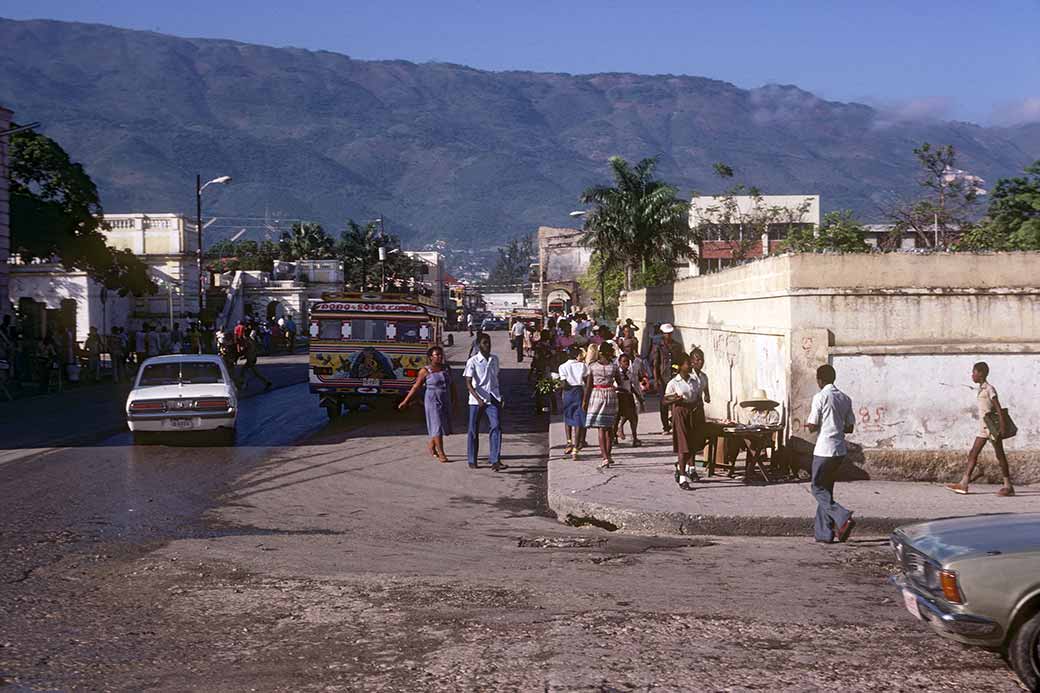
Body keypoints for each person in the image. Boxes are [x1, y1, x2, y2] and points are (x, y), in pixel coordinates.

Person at [946, 361, 1015, 497]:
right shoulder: (981, 389)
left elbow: (998, 407)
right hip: (983, 428)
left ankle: (1008, 486)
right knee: (973, 453)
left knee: (999, 455)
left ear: (981, 373)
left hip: (992, 428)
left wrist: (1002, 425)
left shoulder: (990, 389)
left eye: (974, 372)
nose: (972, 375)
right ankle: (964, 483)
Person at [806, 364, 857, 544]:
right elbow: (849, 427)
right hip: (839, 450)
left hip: (824, 449)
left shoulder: (820, 397)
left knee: (817, 488)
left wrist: (811, 425)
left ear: (820, 380)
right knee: (826, 490)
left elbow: (812, 425)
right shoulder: (845, 398)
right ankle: (824, 534)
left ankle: (842, 516)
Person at [398, 345, 457, 463]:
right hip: (432, 400)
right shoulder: (425, 371)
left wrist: (455, 400)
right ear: (431, 357)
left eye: (441, 354)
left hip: (445, 398)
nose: (440, 357)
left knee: (444, 424)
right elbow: (416, 387)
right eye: (437, 355)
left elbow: (452, 385)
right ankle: (441, 453)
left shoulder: (446, 369)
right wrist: (405, 401)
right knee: (437, 425)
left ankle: (432, 445)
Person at [463, 333, 506, 471]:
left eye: (489, 342)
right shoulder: (473, 361)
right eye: (484, 343)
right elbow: (468, 383)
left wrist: (500, 396)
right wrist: (478, 398)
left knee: (496, 426)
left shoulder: (494, 359)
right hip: (477, 401)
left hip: (492, 398)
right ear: (478, 345)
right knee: (473, 430)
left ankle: (495, 460)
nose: (487, 345)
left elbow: (495, 379)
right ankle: (472, 459)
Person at [664, 353, 704, 490]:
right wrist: (676, 399)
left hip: (692, 412)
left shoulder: (694, 380)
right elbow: (665, 400)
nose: (691, 365)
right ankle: (682, 478)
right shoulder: (674, 383)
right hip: (680, 412)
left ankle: (685, 467)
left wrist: (697, 405)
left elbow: (698, 395)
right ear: (681, 366)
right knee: (683, 445)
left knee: (692, 444)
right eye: (688, 363)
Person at [728, 389, 782, 483]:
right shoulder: (753, 412)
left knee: (748, 441)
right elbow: (747, 424)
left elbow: (774, 426)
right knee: (734, 440)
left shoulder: (772, 413)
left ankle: (749, 471)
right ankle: (731, 465)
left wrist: (762, 428)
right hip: (750, 436)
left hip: (764, 438)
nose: (758, 405)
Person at [583, 342, 621, 469]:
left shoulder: (592, 366)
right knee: (609, 428)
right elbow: (619, 382)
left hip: (597, 395)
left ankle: (604, 457)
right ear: (608, 352)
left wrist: (585, 401)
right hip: (611, 395)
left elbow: (588, 386)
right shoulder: (614, 367)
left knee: (601, 428)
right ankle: (608, 455)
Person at [650, 323, 685, 434]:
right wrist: (656, 379)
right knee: (664, 403)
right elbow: (655, 364)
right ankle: (665, 426)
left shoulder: (677, 346)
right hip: (663, 378)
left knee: (676, 401)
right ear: (663, 334)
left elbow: (680, 361)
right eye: (666, 334)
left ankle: (675, 423)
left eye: (670, 334)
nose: (668, 336)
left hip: (675, 378)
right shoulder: (658, 347)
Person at [557, 346, 588, 459]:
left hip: (568, 393)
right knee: (578, 420)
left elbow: (564, 383)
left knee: (568, 417)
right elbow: (587, 379)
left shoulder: (562, 367)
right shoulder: (582, 366)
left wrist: (558, 384)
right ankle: (576, 447)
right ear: (577, 355)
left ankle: (569, 441)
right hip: (579, 392)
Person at [614, 352, 646, 447]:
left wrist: (638, 395)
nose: (626, 364)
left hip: (628, 396)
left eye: (627, 362)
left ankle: (634, 437)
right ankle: (614, 437)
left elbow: (631, 386)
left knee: (633, 417)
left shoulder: (629, 373)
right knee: (616, 418)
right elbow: (615, 386)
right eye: (624, 362)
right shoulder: (616, 373)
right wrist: (623, 390)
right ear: (619, 363)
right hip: (619, 396)